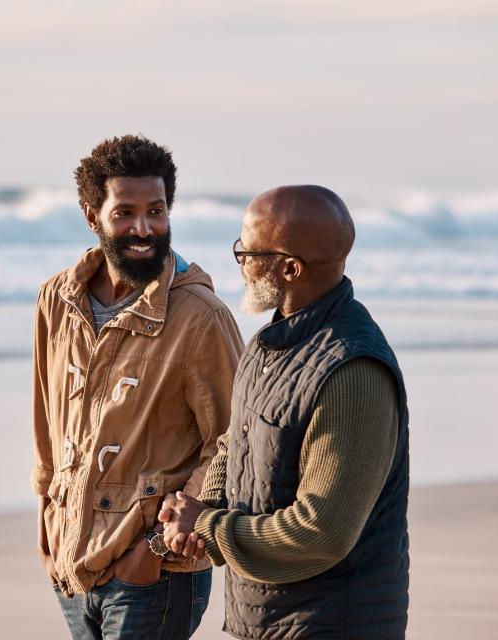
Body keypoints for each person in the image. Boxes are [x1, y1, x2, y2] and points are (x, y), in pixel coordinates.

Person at [159, 185, 410, 639]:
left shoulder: (352, 373)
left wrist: (209, 527)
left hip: (332, 624)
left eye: (248, 252)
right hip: (267, 620)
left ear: (290, 268)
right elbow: (235, 443)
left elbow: (321, 532)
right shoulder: (268, 344)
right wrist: (203, 507)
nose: (241, 264)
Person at [30, 135, 244, 639]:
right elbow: (47, 414)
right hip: (72, 562)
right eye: (124, 212)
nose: (143, 228)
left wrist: (152, 550)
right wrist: (47, 523)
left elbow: (235, 440)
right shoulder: (57, 300)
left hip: (152, 573)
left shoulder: (201, 318)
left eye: (157, 211)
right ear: (92, 215)